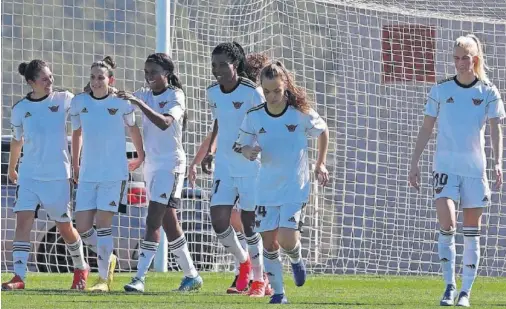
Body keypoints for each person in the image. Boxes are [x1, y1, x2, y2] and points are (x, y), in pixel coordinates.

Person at [409, 34, 504, 307]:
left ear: (475, 59)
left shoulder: (488, 92)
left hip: (475, 171)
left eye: (466, 58)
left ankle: (466, 292)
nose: (461, 63)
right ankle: (449, 287)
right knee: (448, 223)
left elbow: (497, 130)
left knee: (472, 231)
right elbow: (427, 127)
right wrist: (414, 162)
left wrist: (498, 162)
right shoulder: (440, 90)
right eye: (456, 58)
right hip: (445, 169)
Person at [235, 60, 329, 304]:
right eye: (266, 92)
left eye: (276, 90)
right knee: (269, 241)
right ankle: (279, 294)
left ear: (285, 85)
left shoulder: (299, 113)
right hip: (266, 188)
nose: (272, 96)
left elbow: (323, 130)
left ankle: (296, 259)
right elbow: (241, 144)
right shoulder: (254, 116)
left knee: (287, 239)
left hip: (294, 188)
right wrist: (247, 151)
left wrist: (320, 164)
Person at [116, 53, 203, 292]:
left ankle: (139, 278)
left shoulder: (175, 95)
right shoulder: (142, 94)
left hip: (171, 165)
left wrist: (138, 103)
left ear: (166, 73)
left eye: (153, 72)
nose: (149, 76)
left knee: (152, 220)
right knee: (169, 222)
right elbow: (121, 106)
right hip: (152, 166)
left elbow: (165, 122)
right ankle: (192, 276)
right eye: (146, 72)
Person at [188, 42, 270, 296]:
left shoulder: (252, 92)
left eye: (223, 64)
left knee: (249, 224)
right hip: (223, 165)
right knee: (218, 221)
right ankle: (245, 261)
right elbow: (218, 122)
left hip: (249, 167)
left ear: (235, 64)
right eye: (214, 65)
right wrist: (210, 150)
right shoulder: (212, 92)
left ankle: (259, 280)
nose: (218, 70)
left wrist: (252, 148)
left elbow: (263, 125)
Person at [2, 60, 89, 290]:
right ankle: (19, 276)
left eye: (50, 76)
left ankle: (81, 268)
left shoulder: (63, 99)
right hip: (29, 175)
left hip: (58, 176)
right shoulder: (21, 108)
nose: (50, 81)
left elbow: (85, 104)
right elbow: (17, 141)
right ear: (31, 83)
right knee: (22, 223)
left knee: (64, 226)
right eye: (44, 78)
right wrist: (12, 168)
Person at [70, 56, 145, 292]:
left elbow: (133, 129)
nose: (96, 82)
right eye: (92, 77)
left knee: (103, 224)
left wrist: (140, 156)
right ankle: (109, 257)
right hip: (88, 173)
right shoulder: (79, 102)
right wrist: (75, 164)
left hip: (114, 174)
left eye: (100, 77)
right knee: (82, 226)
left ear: (110, 79)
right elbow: (77, 134)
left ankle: (103, 279)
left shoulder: (122, 102)